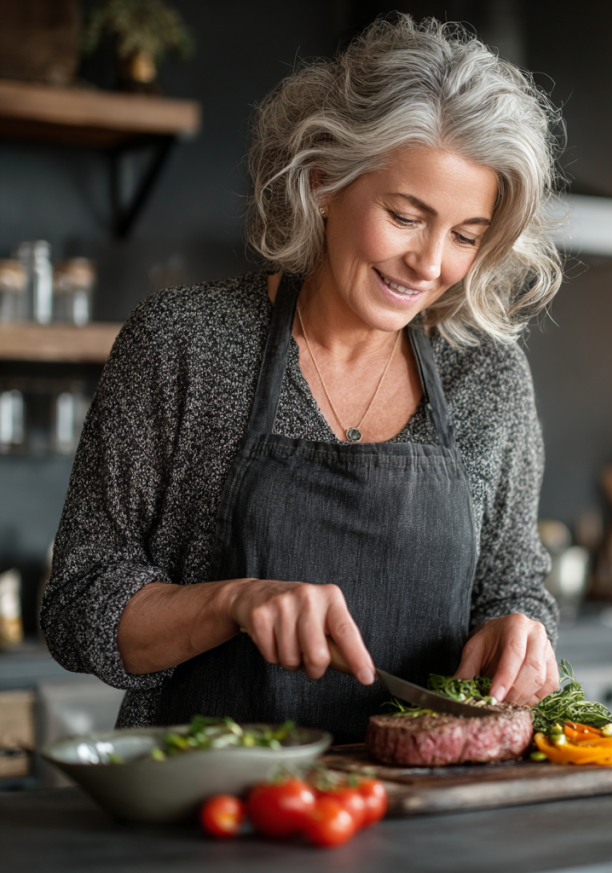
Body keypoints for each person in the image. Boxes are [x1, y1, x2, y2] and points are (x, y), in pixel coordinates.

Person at [40, 16, 565, 743]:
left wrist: (522, 633)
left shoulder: (485, 374)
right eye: (406, 216)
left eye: (466, 235)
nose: (431, 263)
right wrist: (235, 602)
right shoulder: (185, 344)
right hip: (216, 806)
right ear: (322, 180)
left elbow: (513, 587)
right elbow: (76, 604)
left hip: (430, 813)